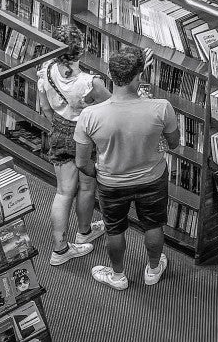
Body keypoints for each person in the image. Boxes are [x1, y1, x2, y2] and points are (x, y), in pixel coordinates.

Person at [73, 44, 178, 290]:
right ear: (140, 76)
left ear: (110, 75)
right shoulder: (161, 108)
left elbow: (81, 162)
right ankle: (153, 269)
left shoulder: (90, 116)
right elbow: (173, 143)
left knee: (114, 229)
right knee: (153, 225)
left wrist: (98, 173)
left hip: (111, 182)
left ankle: (118, 275)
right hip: (152, 178)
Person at [39, 25, 109, 266]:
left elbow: (46, 108)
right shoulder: (91, 83)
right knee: (87, 187)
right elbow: (113, 109)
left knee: (63, 192)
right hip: (86, 137)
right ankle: (84, 232)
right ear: (82, 51)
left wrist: (60, 125)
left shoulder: (45, 72)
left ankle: (59, 250)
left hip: (58, 131)